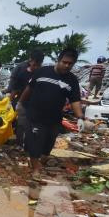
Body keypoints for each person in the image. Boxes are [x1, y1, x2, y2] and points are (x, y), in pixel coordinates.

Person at [18, 48, 85, 177]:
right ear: (58, 60)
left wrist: (80, 117)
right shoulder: (42, 72)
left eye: (70, 64)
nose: (66, 65)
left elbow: (75, 100)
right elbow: (29, 89)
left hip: (54, 119)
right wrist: (20, 104)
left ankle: (38, 163)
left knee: (47, 146)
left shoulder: (72, 80)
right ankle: (35, 169)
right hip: (35, 116)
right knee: (35, 143)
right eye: (64, 62)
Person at [8, 50, 44, 147]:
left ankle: (31, 145)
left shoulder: (42, 74)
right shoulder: (22, 73)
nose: (36, 67)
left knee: (34, 126)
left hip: (36, 104)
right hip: (23, 103)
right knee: (21, 124)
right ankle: (19, 144)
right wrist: (9, 101)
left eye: (38, 65)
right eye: (34, 65)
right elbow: (15, 89)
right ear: (30, 60)